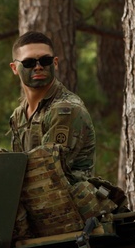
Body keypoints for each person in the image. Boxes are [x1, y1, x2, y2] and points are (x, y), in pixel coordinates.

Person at [8, 31, 95, 179]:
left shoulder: (66, 110)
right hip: (37, 200)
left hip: (68, 200)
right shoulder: (19, 115)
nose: (38, 67)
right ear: (15, 68)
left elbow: (47, 171)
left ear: (55, 63)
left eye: (45, 61)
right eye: (29, 63)